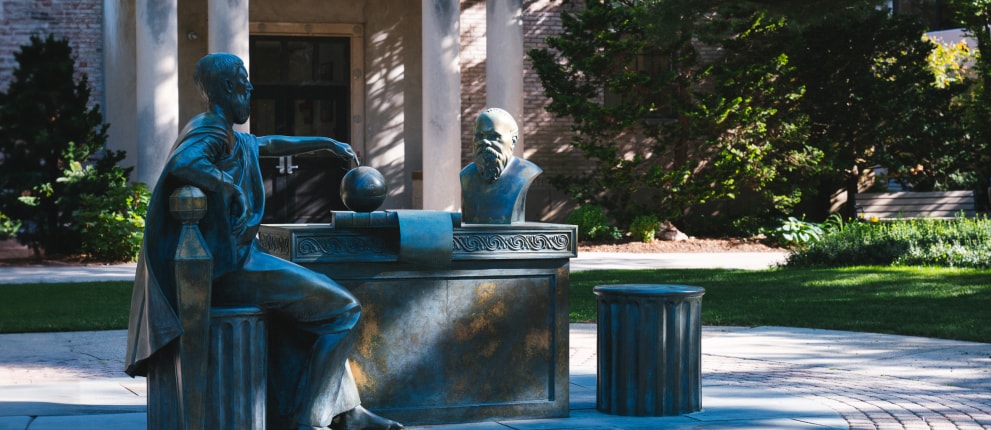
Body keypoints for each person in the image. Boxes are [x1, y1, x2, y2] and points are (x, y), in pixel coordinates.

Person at [124, 52, 402, 430]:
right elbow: (183, 163)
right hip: (228, 271)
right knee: (344, 310)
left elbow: (269, 144)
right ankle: (313, 419)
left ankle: (348, 412)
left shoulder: (225, 134)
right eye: (244, 79)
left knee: (309, 315)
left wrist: (325, 142)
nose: (251, 87)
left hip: (238, 261)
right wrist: (228, 188)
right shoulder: (210, 129)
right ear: (225, 88)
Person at [460, 107, 542, 224]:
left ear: (513, 140)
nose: (484, 142)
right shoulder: (467, 175)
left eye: (494, 136)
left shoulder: (526, 172)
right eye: (479, 136)